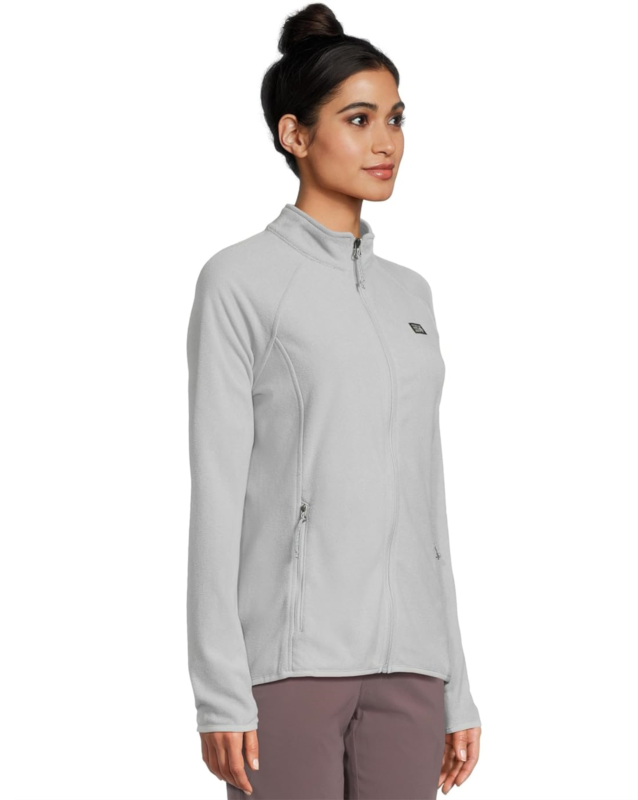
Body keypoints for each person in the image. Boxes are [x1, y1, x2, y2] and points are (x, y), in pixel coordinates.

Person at [186, 4, 482, 798]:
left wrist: (455, 681)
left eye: (395, 118)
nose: (386, 142)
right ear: (295, 134)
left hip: (412, 668)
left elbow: (427, 501)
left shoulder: (410, 294)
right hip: (291, 666)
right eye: (358, 119)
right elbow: (218, 494)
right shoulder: (240, 281)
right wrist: (220, 691)